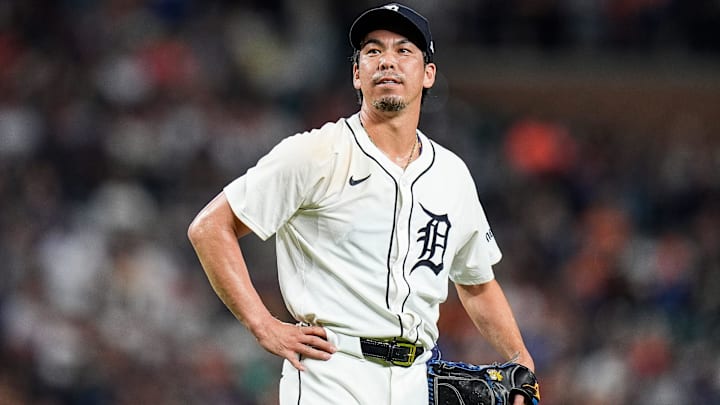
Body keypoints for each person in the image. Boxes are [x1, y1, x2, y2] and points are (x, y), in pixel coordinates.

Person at [188, 3, 535, 404]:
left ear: (428, 74)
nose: (387, 60)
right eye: (373, 51)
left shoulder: (452, 175)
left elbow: (476, 283)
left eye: (403, 50)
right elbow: (210, 227)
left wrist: (521, 361)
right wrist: (262, 324)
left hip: (416, 380)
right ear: (357, 74)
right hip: (332, 372)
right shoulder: (316, 153)